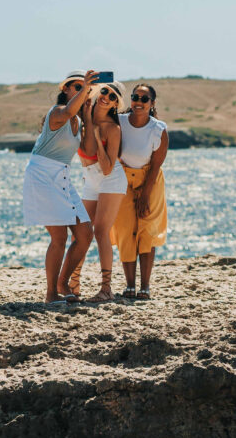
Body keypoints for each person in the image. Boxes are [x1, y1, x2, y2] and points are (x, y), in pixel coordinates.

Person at [22, 70, 98, 304]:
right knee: (59, 236)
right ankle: (51, 294)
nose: (82, 90)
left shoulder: (77, 120)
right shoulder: (57, 113)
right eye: (77, 87)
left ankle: (63, 282)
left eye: (84, 88)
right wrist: (85, 89)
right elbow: (66, 111)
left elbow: (90, 149)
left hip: (62, 176)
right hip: (42, 175)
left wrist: (87, 118)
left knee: (85, 234)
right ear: (65, 90)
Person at [71, 80, 127, 302]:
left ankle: (106, 289)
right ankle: (73, 285)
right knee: (82, 232)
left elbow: (107, 168)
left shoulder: (113, 129)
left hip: (110, 178)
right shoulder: (83, 118)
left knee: (101, 231)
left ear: (115, 105)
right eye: (105, 91)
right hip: (89, 179)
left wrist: (97, 136)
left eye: (113, 97)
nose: (106, 97)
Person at [112, 83, 168, 300]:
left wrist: (145, 194)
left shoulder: (159, 129)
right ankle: (129, 286)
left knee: (146, 231)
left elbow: (156, 165)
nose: (139, 102)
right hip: (122, 180)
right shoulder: (119, 122)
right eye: (135, 97)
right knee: (125, 230)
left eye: (145, 99)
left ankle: (145, 286)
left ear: (152, 104)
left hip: (150, 180)